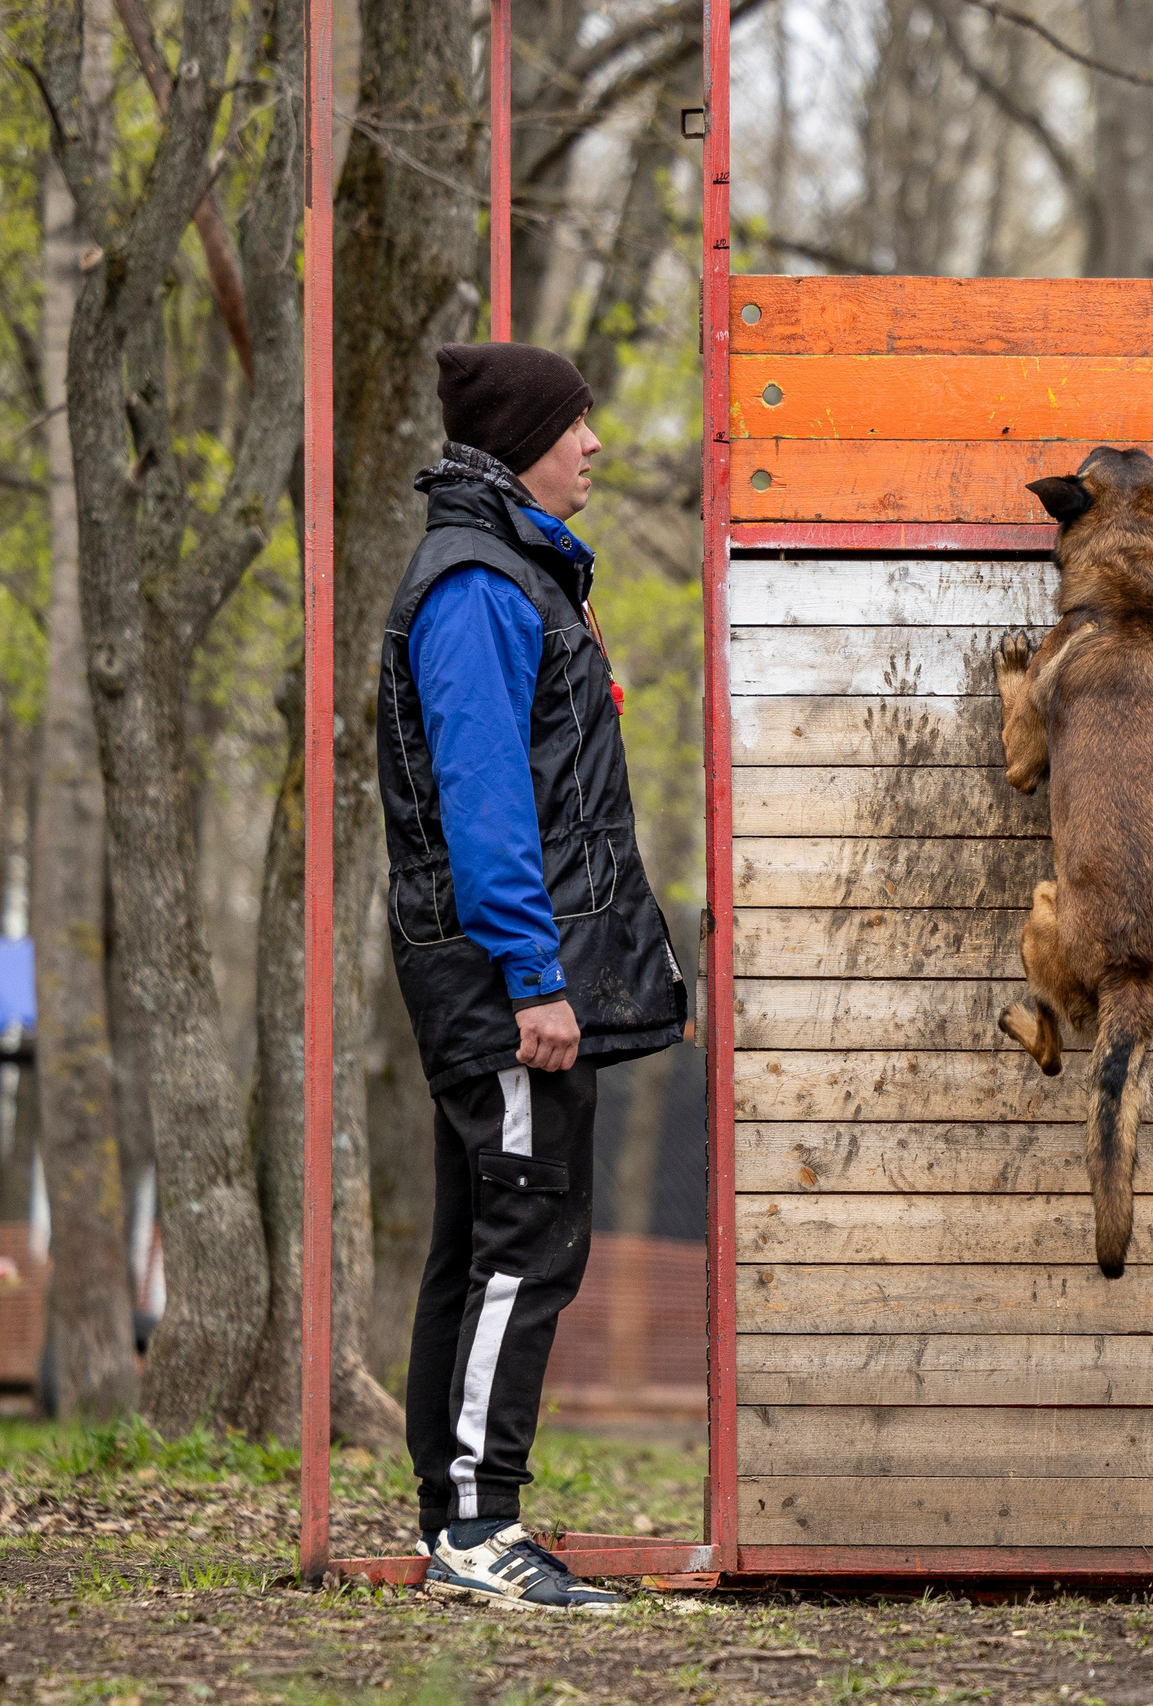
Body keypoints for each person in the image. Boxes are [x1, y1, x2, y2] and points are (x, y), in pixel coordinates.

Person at [377, 342, 688, 1612]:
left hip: (512, 968)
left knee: (483, 1241)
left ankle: (457, 1517)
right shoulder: (477, 585)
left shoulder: (509, 571)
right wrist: (534, 977)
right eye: (577, 424)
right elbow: (487, 801)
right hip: (505, 978)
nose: (597, 444)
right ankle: (479, 1527)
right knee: (525, 1242)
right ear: (523, 441)